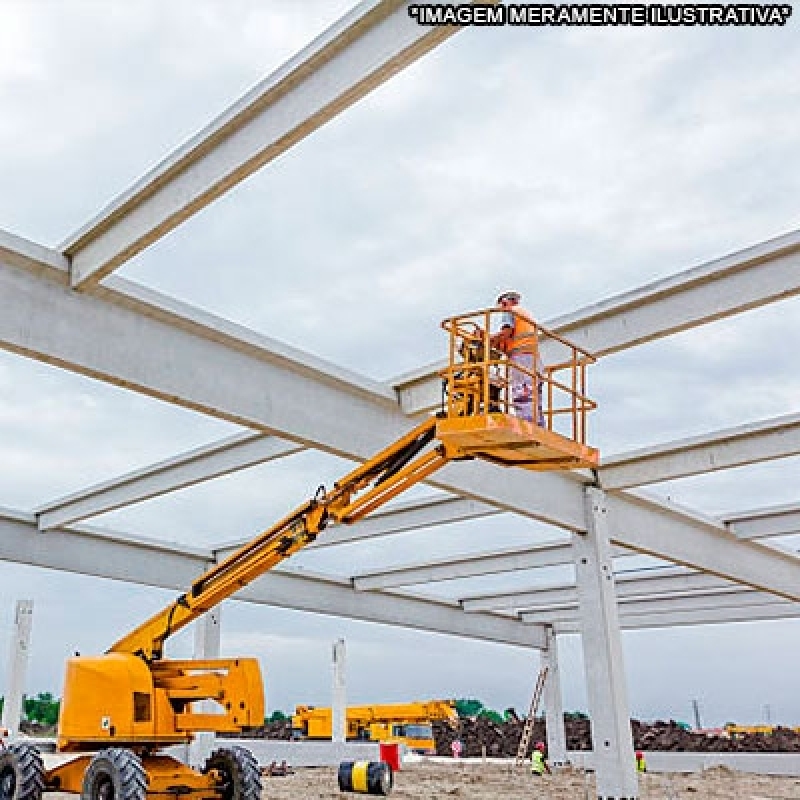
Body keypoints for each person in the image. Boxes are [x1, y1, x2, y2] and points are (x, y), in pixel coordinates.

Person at [490, 291, 543, 425]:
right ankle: (538, 426)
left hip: (521, 358)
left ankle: (528, 426)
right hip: (533, 359)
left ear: (504, 302)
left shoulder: (510, 311)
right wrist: (497, 343)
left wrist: (489, 339)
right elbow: (509, 340)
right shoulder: (524, 315)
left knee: (522, 392)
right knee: (534, 396)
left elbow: (506, 333)